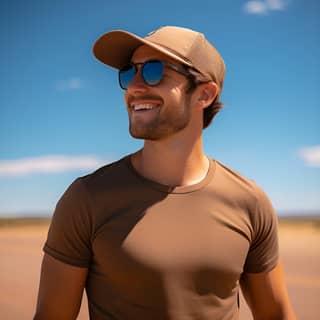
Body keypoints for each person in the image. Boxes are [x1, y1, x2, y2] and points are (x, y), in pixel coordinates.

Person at [34, 26, 296, 320]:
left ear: (205, 94)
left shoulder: (250, 202)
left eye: (153, 71)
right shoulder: (86, 199)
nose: (134, 86)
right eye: (128, 72)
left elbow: (276, 314)